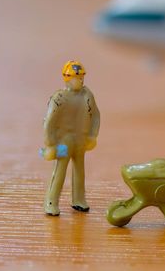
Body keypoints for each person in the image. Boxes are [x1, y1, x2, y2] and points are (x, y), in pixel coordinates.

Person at [42, 61, 100, 216]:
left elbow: (95, 115)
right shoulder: (59, 98)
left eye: (82, 77)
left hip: (80, 140)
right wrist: (50, 143)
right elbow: (49, 122)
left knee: (80, 171)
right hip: (64, 141)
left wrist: (93, 135)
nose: (80, 80)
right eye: (77, 77)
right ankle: (51, 202)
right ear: (67, 78)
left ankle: (79, 200)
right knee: (60, 170)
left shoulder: (87, 95)